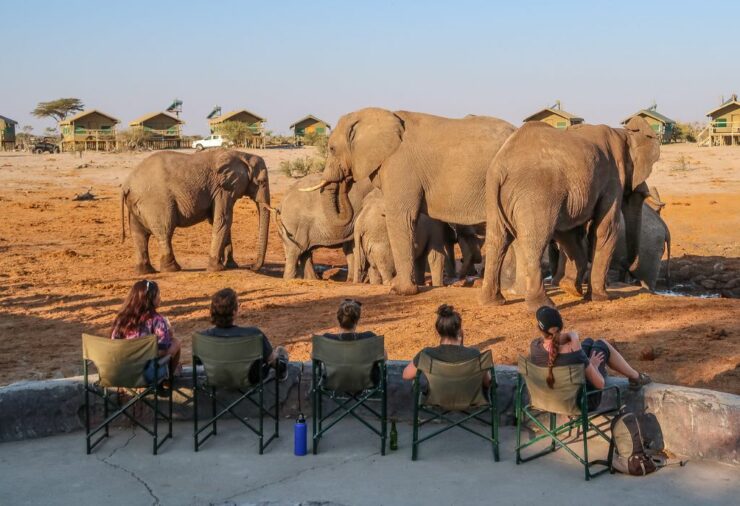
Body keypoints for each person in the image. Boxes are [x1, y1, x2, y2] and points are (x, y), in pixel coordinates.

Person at [530, 306, 651, 410]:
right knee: (601, 345)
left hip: (551, 400)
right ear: (561, 326)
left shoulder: (535, 347)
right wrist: (593, 364)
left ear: (540, 329)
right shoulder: (573, 354)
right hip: (583, 402)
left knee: (588, 342)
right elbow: (600, 384)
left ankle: (634, 376)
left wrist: (573, 341)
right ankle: (635, 376)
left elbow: (555, 346)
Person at [199, 288, 288, 383]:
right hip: (250, 380)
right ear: (234, 312)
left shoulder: (202, 337)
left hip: (216, 378)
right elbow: (271, 359)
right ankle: (282, 368)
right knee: (277, 355)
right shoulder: (253, 334)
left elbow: (199, 362)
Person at [402, 304, 492, 389]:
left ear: (438, 331)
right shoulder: (474, 354)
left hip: (435, 403)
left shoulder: (427, 354)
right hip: (470, 404)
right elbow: (488, 382)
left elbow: (406, 375)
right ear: (459, 330)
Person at [111, 279, 181, 382]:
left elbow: (114, 344)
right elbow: (162, 350)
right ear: (150, 299)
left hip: (120, 372)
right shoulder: (157, 320)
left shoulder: (121, 319)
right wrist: (168, 336)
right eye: (158, 295)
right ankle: (169, 377)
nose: (160, 298)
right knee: (176, 342)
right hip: (145, 375)